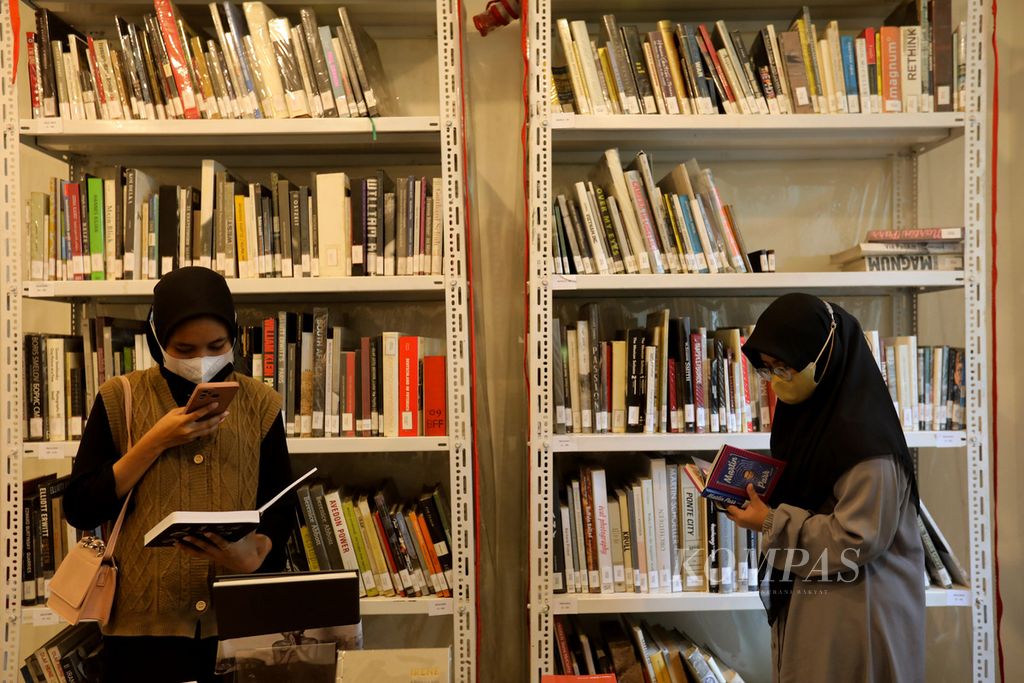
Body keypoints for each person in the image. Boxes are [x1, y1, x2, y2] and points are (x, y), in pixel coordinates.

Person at [63, 267, 293, 683]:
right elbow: (80, 506)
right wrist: (154, 441)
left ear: (234, 338)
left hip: (238, 624)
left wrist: (253, 554)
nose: (201, 361)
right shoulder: (121, 397)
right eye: (184, 349)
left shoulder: (262, 403)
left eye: (216, 346)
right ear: (157, 341)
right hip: (141, 632)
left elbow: (280, 506)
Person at [728, 293, 925, 683]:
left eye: (786, 367)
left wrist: (772, 521)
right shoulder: (811, 418)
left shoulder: (866, 445)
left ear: (826, 355)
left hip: (861, 615)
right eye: (768, 370)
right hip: (822, 603)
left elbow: (856, 538)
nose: (778, 381)